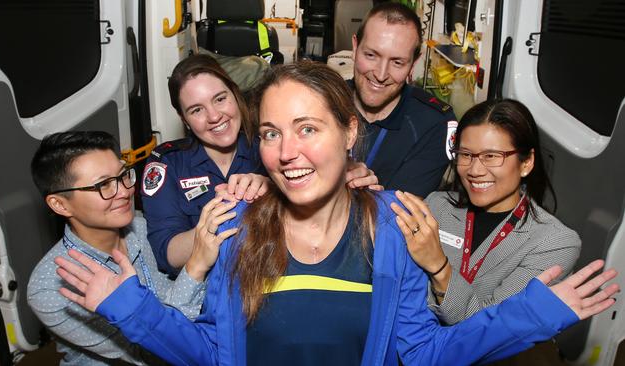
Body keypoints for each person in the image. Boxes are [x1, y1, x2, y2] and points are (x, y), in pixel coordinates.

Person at [54, 63, 618, 366]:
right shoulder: (235, 226)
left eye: (308, 129)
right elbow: (211, 353)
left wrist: (530, 317)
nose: (285, 152)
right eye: (271, 133)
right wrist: (132, 310)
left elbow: (423, 353)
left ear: (349, 132)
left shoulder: (394, 226)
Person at [143, 54, 380, 276]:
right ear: (183, 119)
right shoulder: (167, 164)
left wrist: (345, 175)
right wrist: (225, 219)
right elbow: (166, 255)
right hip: (202, 291)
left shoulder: (271, 147)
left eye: (220, 99)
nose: (214, 116)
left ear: (235, 94)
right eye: (196, 110)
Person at [391, 99, 582, 325]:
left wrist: (439, 268)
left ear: (526, 162)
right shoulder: (438, 206)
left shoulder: (555, 243)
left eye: (491, 156)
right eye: (466, 155)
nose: (475, 170)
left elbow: (490, 327)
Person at [27, 131, 205, 365]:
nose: (124, 192)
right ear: (60, 204)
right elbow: (152, 348)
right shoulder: (50, 287)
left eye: (122, 176)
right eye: (104, 185)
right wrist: (197, 265)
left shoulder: (145, 227)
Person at [350, 2, 458, 197]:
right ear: (355, 47)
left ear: (413, 64)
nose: (381, 74)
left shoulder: (434, 124)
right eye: (371, 55)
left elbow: (399, 213)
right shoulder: (322, 100)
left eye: (397, 62)